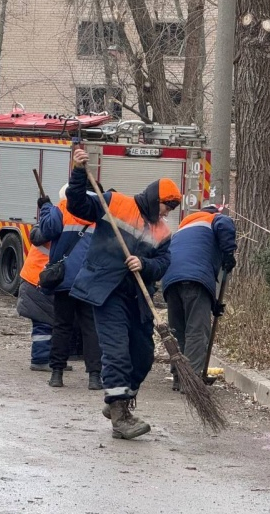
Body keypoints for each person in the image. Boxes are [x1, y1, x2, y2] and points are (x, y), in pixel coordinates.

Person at [67, 148, 177, 440]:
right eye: (167, 206)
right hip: (106, 291)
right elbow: (77, 205)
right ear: (156, 200)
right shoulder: (116, 203)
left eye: (172, 208)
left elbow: (164, 263)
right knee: (116, 353)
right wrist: (78, 172)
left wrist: (145, 264)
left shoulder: (163, 232)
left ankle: (119, 399)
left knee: (142, 355)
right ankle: (120, 414)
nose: (168, 212)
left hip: (136, 298)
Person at [162, 204, 237, 387]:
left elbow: (193, 257)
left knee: (178, 331)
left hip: (170, 281)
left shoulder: (182, 230)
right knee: (196, 331)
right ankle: (192, 382)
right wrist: (228, 252)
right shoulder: (214, 219)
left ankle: (179, 378)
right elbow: (225, 224)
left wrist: (213, 304)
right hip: (195, 280)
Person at [39, 184, 102, 390]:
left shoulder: (62, 207)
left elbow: (47, 231)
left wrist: (46, 208)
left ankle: (57, 374)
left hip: (64, 278)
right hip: (90, 279)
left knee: (62, 326)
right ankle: (94, 377)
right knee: (91, 328)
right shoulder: (100, 209)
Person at [16, 205, 57, 372]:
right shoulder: (60, 225)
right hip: (40, 281)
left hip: (34, 278)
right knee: (44, 324)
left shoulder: (48, 224)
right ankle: (40, 359)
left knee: (47, 323)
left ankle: (49, 358)